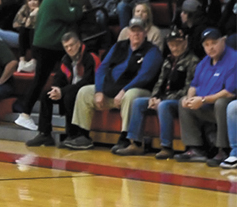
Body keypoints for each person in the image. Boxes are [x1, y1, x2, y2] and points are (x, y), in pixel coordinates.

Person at [64, 17, 162, 151]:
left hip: (139, 91)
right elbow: (102, 68)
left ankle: (126, 138)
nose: (136, 34)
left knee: (130, 94)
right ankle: (83, 135)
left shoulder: (152, 51)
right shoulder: (119, 46)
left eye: (139, 31)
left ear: (145, 33)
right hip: (112, 89)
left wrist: (123, 90)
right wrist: (99, 90)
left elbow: (145, 76)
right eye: (133, 31)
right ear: (128, 32)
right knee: (84, 92)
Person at [14, 0, 83, 132]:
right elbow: (73, 16)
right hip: (51, 46)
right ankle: (25, 114)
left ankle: (32, 113)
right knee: (44, 80)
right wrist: (78, 1)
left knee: (51, 79)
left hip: (43, 45)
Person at [116, 26, 199, 159]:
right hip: (163, 97)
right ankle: (136, 143)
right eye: (172, 45)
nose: (175, 48)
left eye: (178, 44)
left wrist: (163, 100)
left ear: (185, 42)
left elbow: (188, 88)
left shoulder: (193, 61)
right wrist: (154, 96)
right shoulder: (167, 60)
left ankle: (166, 146)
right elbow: (159, 82)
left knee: (163, 106)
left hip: (180, 100)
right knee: (138, 103)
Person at [26, 31, 98, 147]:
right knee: (46, 94)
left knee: (69, 95)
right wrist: (56, 89)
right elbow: (59, 77)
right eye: (66, 47)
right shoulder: (66, 59)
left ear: (79, 44)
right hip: (69, 90)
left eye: (72, 45)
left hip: (87, 91)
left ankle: (72, 135)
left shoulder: (90, 57)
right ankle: (45, 133)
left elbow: (88, 80)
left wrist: (62, 91)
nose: (69, 49)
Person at [176, 28, 237, 163]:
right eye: (207, 45)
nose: (210, 48)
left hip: (223, 109)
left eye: (214, 43)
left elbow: (230, 91)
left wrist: (203, 100)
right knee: (183, 103)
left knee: (222, 103)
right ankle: (196, 148)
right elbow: (194, 85)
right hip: (206, 106)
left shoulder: (233, 59)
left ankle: (223, 150)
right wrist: (189, 97)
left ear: (223, 41)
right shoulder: (204, 62)